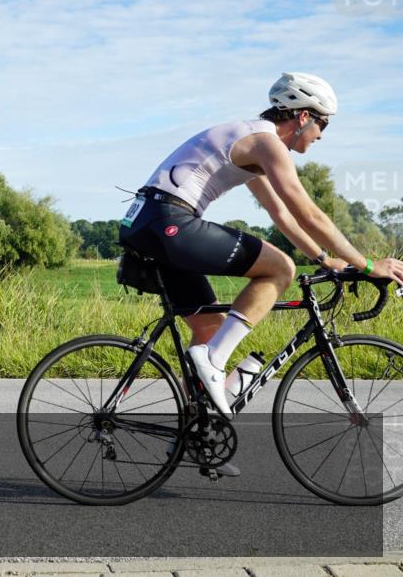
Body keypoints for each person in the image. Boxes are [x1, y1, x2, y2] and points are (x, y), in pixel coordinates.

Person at [119, 72, 403, 426]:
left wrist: (324, 259)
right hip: (169, 221)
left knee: (210, 328)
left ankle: (195, 431)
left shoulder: (251, 139)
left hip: (146, 222)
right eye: (323, 124)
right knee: (280, 268)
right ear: (303, 116)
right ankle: (214, 361)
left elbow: (281, 214)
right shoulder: (268, 144)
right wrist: (367, 265)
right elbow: (309, 213)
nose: (321, 135)